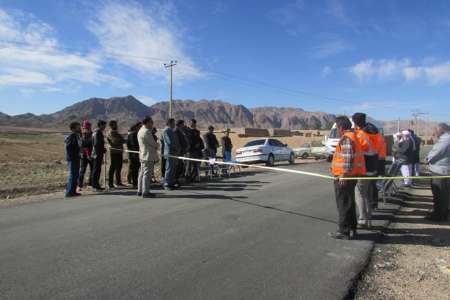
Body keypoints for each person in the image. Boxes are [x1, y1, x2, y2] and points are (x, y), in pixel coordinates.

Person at [329, 116, 366, 240]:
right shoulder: (354, 136)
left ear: (340, 127)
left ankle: (344, 231)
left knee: (343, 204)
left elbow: (348, 158)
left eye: (338, 127)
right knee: (349, 203)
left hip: (344, 177)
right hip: (352, 175)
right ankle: (352, 229)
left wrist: (343, 174)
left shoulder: (346, 138)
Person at [352, 113, 379, 227]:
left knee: (360, 193)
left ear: (355, 122)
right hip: (373, 167)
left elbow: (357, 153)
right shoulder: (372, 132)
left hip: (364, 169)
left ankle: (363, 219)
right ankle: (369, 218)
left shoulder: (360, 135)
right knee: (367, 194)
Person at [425, 123, 450, 221]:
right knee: (444, 195)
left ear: (442, 130)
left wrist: (427, 159)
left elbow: (435, 152)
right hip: (445, 170)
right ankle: (443, 214)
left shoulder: (445, 139)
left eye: (436, 130)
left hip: (440, 171)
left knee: (439, 194)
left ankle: (439, 215)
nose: (435, 132)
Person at [137, 117, 158, 198]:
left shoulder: (140, 130)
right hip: (148, 156)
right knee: (147, 174)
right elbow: (153, 143)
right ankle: (145, 192)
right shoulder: (146, 132)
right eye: (151, 122)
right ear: (147, 123)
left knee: (142, 173)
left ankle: (140, 190)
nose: (152, 124)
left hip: (143, 155)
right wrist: (157, 145)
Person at [162, 118, 180, 190]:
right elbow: (169, 142)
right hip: (170, 152)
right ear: (169, 123)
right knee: (169, 168)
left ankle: (171, 183)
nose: (174, 124)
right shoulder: (166, 131)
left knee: (172, 169)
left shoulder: (171, 131)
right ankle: (167, 184)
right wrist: (176, 148)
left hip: (174, 152)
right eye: (173, 123)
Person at [107, 120, 126, 188]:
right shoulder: (110, 133)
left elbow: (122, 140)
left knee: (119, 167)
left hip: (119, 152)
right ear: (111, 125)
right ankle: (110, 183)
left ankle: (118, 182)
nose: (117, 126)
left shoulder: (116, 133)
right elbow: (114, 141)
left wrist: (120, 138)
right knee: (113, 168)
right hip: (114, 152)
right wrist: (120, 138)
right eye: (115, 124)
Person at [65, 122, 81, 197]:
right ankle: (69, 192)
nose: (79, 128)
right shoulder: (71, 136)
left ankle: (73, 191)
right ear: (74, 128)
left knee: (76, 175)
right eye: (78, 127)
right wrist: (73, 156)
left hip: (77, 158)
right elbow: (69, 148)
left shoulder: (76, 136)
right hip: (73, 159)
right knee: (72, 175)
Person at [91, 120, 107, 191]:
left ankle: (96, 184)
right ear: (100, 125)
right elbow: (97, 144)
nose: (104, 127)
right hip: (97, 154)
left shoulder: (96, 132)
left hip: (97, 153)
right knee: (96, 170)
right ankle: (95, 185)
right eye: (104, 125)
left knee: (96, 169)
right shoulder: (97, 133)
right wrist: (102, 149)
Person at [78, 120, 93, 190]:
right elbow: (84, 146)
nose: (87, 129)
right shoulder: (82, 135)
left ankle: (90, 183)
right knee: (82, 170)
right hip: (84, 155)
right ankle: (79, 185)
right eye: (85, 128)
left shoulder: (92, 134)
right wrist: (87, 155)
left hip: (92, 154)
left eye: (88, 127)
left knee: (92, 170)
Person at [174, 120, 190, 187]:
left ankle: (179, 179)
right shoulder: (176, 131)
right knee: (177, 166)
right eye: (183, 124)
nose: (184, 125)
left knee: (181, 166)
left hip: (183, 151)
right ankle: (175, 180)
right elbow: (177, 142)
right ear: (180, 124)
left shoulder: (182, 131)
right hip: (178, 152)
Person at [127, 122, 141, 188]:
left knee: (137, 169)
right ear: (136, 127)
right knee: (134, 169)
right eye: (140, 126)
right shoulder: (133, 135)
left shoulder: (137, 134)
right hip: (134, 155)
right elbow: (134, 145)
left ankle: (137, 182)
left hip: (137, 154)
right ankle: (135, 183)